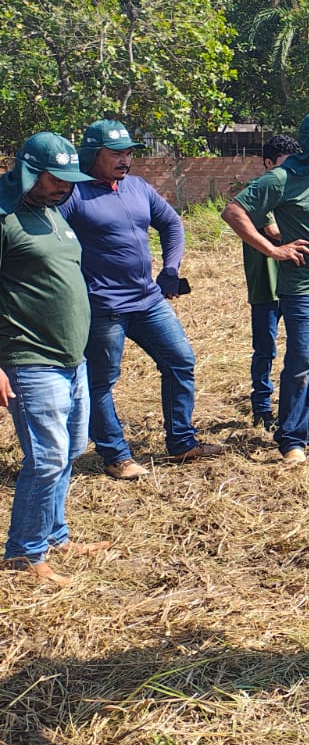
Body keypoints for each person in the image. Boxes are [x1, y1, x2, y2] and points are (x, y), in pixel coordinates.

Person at [61, 119, 224, 479]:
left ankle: (182, 442)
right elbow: (52, 245)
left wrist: (171, 268)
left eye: (128, 153)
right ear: (92, 155)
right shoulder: (73, 193)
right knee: (102, 382)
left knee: (180, 360)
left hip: (147, 300)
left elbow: (171, 224)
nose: (125, 160)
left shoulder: (136, 187)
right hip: (103, 308)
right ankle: (115, 455)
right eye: (115, 153)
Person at [222, 110, 309, 464]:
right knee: (302, 360)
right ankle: (291, 437)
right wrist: (273, 250)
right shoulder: (282, 178)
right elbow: (234, 211)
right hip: (303, 286)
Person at [0, 132, 104, 585]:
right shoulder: (6, 218)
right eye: (56, 178)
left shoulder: (52, 211)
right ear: (28, 170)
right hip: (29, 357)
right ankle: (24, 553)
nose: (66, 186)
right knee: (46, 458)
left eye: (69, 178)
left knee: (70, 451)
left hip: (71, 357)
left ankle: (54, 534)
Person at [243, 132, 299, 431]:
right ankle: (262, 407)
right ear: (267, 163)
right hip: (266, 282)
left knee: (299, 349)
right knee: (266, 349)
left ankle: (294, 407)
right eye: (284, 164)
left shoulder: (293, 191)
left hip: (294, 283)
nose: (290, 171)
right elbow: (275, 231)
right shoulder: (260, 191)